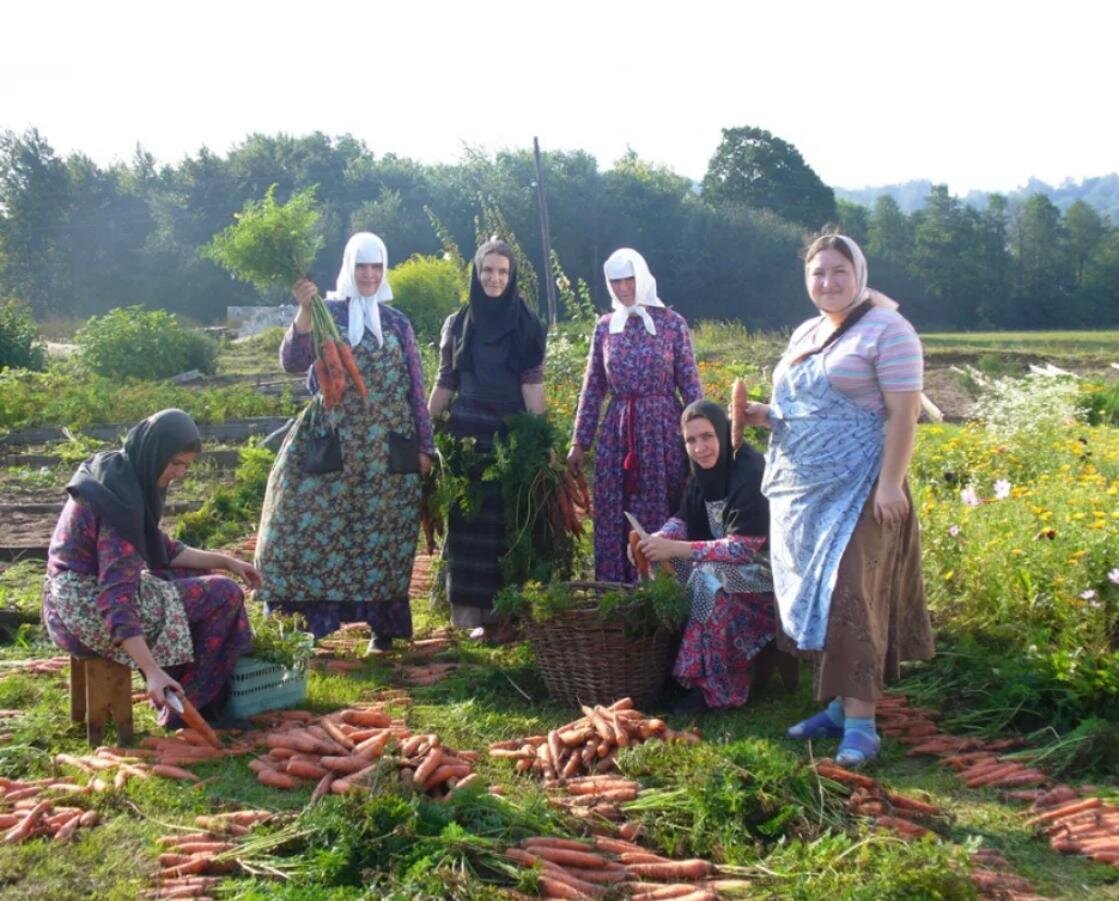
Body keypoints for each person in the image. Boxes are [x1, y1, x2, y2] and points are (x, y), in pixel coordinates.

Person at [743, 231, 934, 767]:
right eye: (818, 273)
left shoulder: (889, 330)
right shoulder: (807, 332)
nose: (828, 282)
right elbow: (800, 406)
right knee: (821, 596)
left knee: (853, 595)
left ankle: (862, 723)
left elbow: (904, 414)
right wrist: (766, 416)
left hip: (862, 490)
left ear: (859, 275)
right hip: (805, 494)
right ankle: (835, 708)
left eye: (838, 271)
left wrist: (892, 483)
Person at [254, 232, 435, 652]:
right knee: (295, 530)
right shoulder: (324, 312)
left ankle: (383, 631)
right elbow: (292, 363)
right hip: (330, 440)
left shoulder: (397, 323)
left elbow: (415, 386)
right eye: (361, 266)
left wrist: (425, 447)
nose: (369, 275)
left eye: (376, 266)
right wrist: (302, 311)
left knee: (384, 536)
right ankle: (301, 627)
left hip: (387, 448)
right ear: (348, 268)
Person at [42, 409, 257, 726]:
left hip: (62, 604)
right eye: (175, 463)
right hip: (87, 613)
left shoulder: (115, 473)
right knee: (225, 594)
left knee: (187, 577)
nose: (180, 473)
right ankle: (189, 707)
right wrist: (153, 673)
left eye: (186, 465)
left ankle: (193, 695)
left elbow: (161, 550)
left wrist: (227, 561)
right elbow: (117, 598)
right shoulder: (119, 507)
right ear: (154, 453)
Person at [428, 240, 548, 641]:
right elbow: (447, 379)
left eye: (502, 272)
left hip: (510, 436)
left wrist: (541, 437)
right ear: (476, 274)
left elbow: (532, 384)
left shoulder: (528, 323)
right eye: (487, 271)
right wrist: (426, 428)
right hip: (467, 435)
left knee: (508, 526)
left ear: (512, 277)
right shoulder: (458, 322)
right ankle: (470, 619)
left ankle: (506, 617)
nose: (494, 278)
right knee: (467, 525)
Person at [568, 248, 703, 583]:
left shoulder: (672, 324)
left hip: (663, 434)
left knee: (662, 511)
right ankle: (618, 597)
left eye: (629, 279)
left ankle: (664, 598)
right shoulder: (604, 328)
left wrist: (705, 437)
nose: (623, 288)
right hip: (618, 436)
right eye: (615, 282)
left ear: (642, 278)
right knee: (617, 515)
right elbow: (593, 387)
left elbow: (691, 386)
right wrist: (579, 442)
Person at [636, 399, 776, 713]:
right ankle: (674, 672)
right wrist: (661, 538)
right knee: (668, 568)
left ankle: (715, 688)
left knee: (707, 577)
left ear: (724, 434)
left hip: (767, 575)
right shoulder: (701, 473)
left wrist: (677, 549)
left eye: (708, 436)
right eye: (691, 440)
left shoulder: (749, 470)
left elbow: (742, 548)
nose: (700, 448)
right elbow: (686, 517)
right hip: (725, 566)